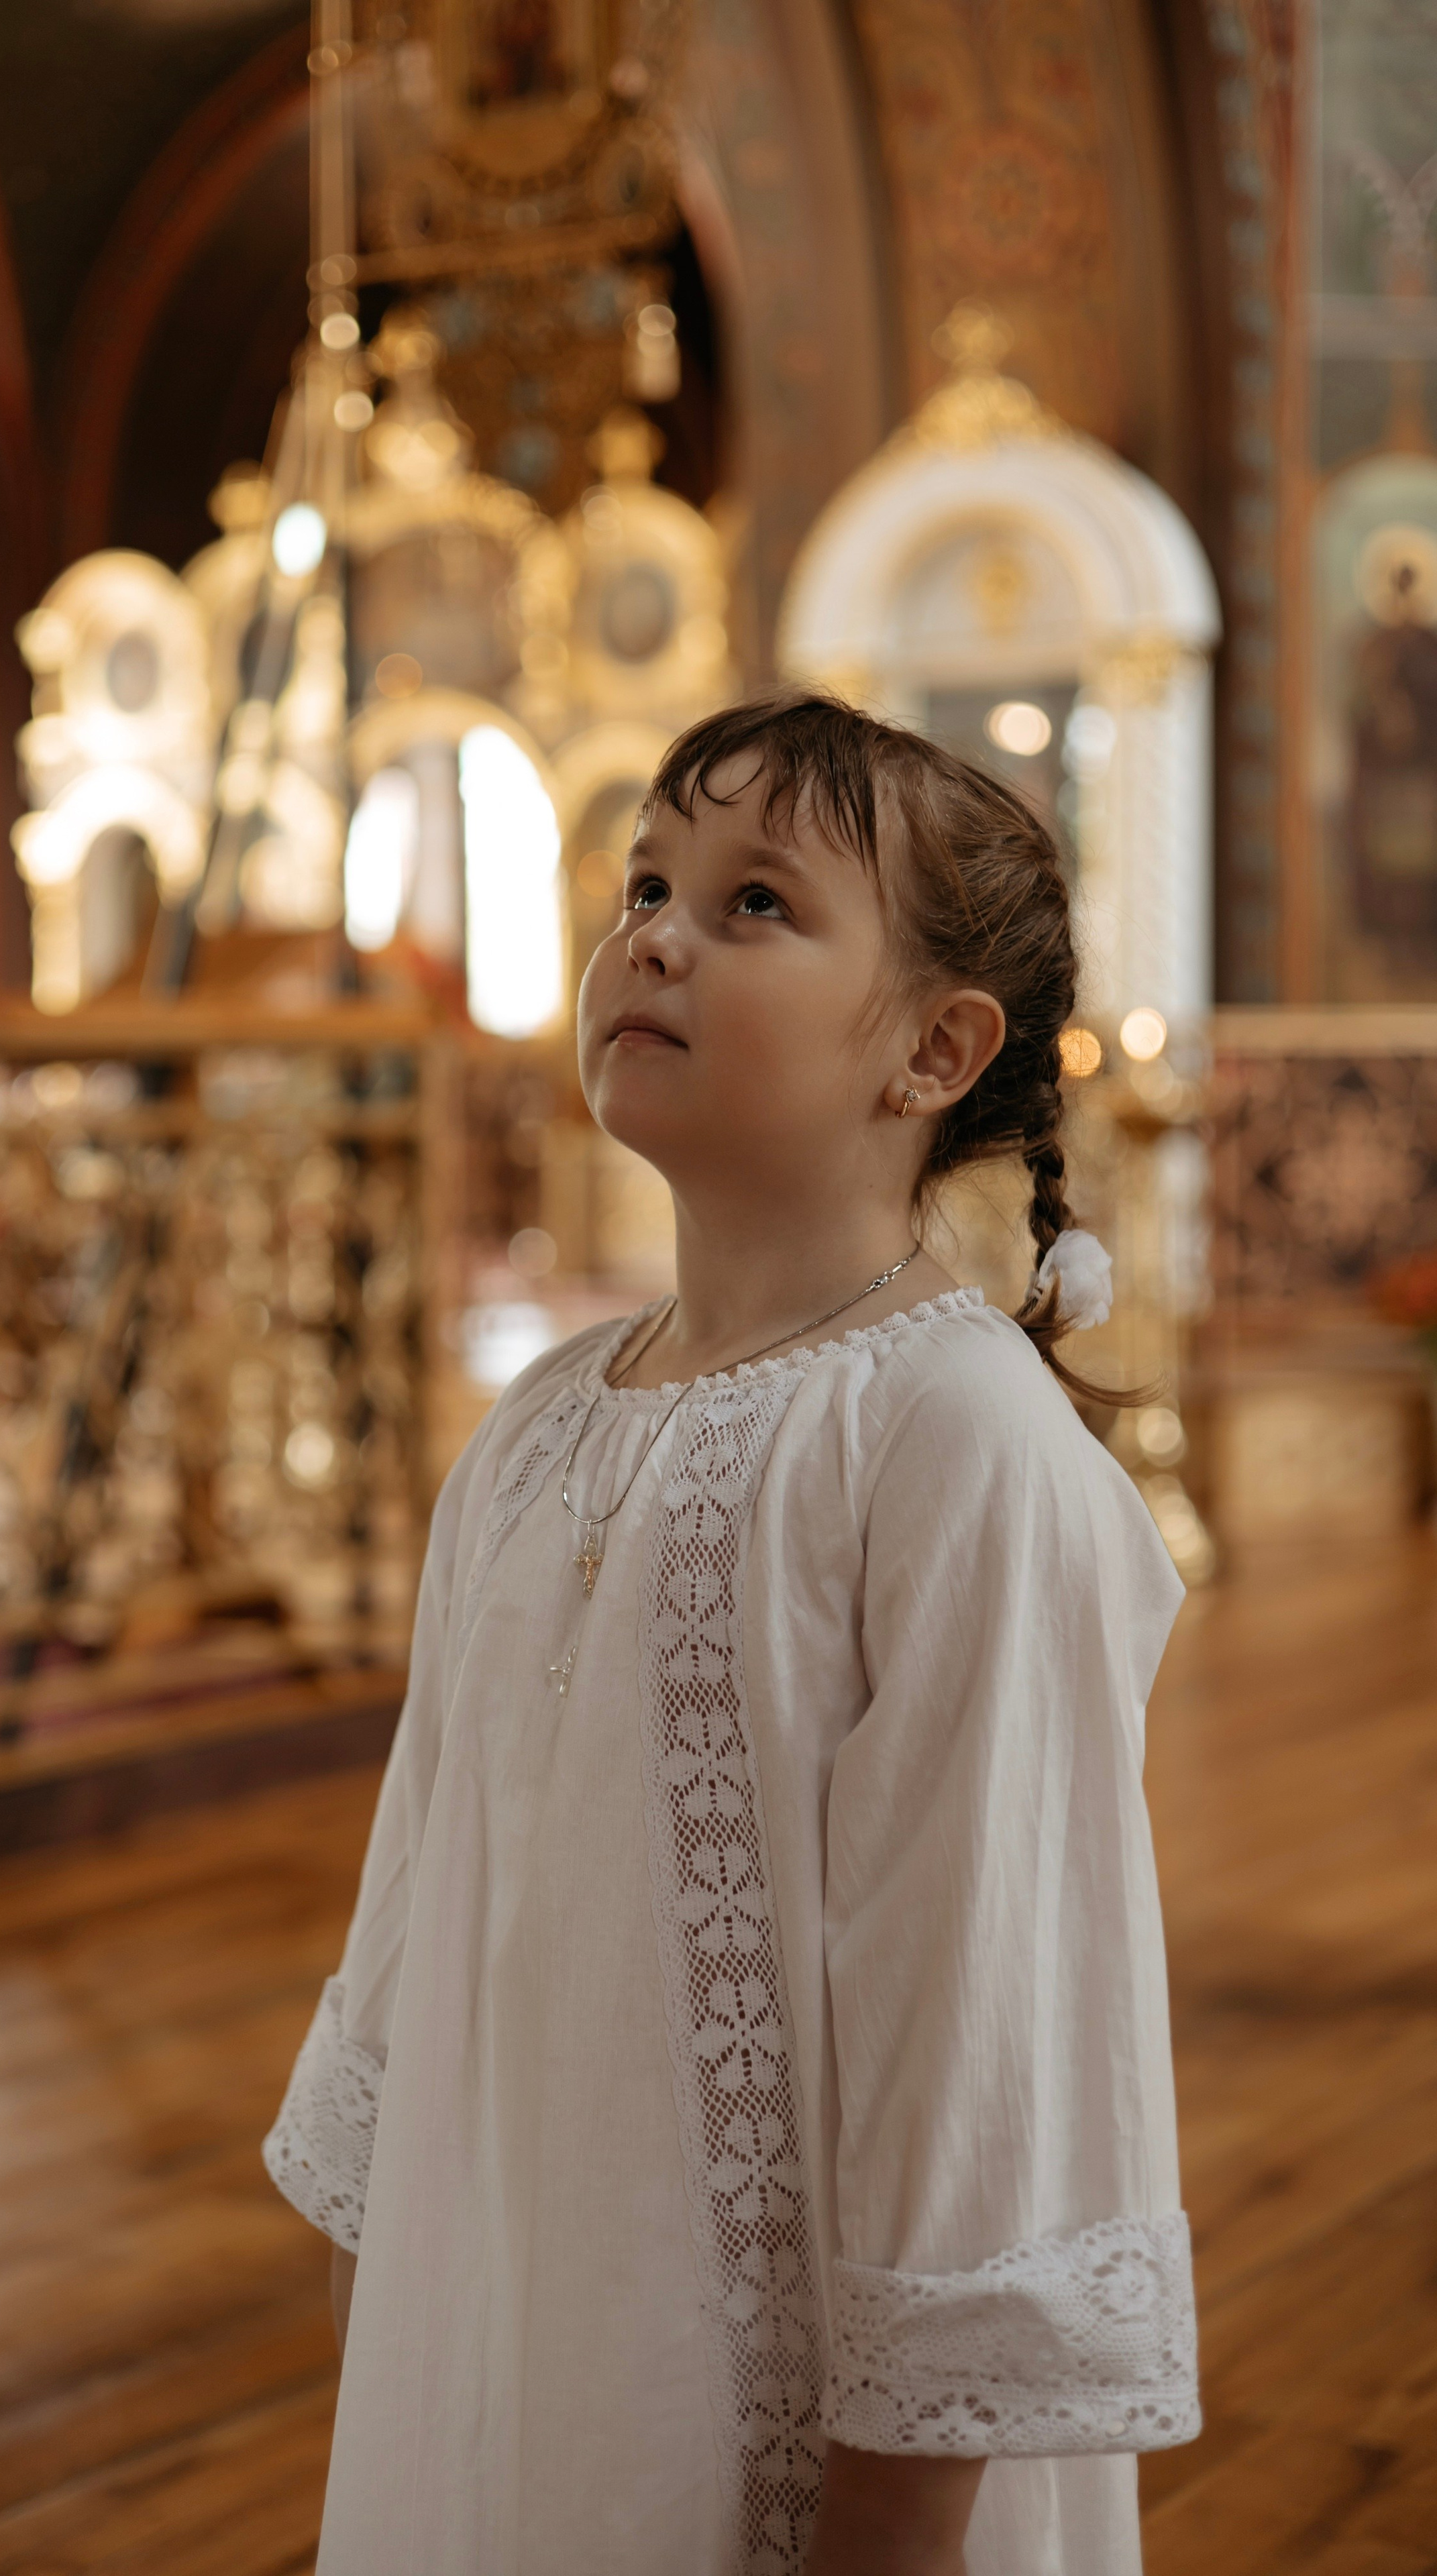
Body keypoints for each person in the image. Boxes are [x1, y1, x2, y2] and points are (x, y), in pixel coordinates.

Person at [264, 691, 1200, 2576]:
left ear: (935, 1048)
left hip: (812, 2474)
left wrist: (893, 2528)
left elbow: (986, 2033)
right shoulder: (538, 1426)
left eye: (756, 902)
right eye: (646, 885)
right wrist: (413, 2365)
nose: (656, 934)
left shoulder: (955, 1445)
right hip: (519, 2387)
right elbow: (417, 1917)